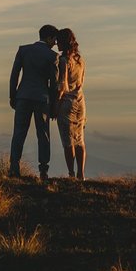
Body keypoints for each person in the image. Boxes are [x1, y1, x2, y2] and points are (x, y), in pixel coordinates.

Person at [9, 24, 58, 180]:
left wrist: (13, 96)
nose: (55, 43)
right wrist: (53, 105)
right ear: (49, 37)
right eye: (54, 39)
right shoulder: (52, 56)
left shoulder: (23, 50)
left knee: (18, 133)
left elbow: (14, 75)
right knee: (43, 135)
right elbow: (54, 83)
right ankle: (43, 170)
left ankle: (14, 167)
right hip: (42, 99)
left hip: (23, 96)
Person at [54, 27, 87, 180]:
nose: (56, 44)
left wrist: (55, 107)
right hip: (80, 103)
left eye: (58, 41)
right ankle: (81, 173)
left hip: (66, 103)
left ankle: (71, 174)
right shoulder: (80, 60)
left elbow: (62, 86)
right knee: (79, 140)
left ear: (64, 42)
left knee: (68, 142)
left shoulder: (63, 60)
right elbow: (82, 83)